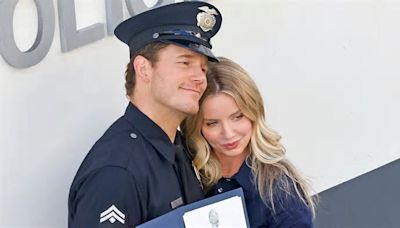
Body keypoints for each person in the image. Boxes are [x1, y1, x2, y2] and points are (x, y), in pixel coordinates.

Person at [68, 2, 222, 227]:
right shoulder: (117, 174)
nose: (199, 78)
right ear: (143, 69)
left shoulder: (179, 149)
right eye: (185, 63)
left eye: (202, 68)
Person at [182, 57, 317, 228]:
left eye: (237, 117)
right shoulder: (186, 173)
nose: (228, 134)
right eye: (212, 123)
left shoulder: (280, 190)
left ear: (254, 112)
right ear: (197, 127)